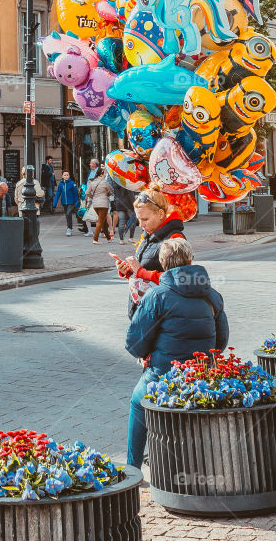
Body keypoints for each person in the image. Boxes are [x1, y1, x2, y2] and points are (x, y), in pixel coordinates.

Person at [124, 239, 229, 470]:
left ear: (163, 264)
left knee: (137, 401)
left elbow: (134, 343)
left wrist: (146, 355)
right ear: (191, 261)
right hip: (202, 376)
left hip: (163, 375)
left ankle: (133, 469)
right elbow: (221, 342)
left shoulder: (156, 296)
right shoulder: (212, 295)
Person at [113, 183, 187, 319]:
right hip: (144, 312)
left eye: (145, 219)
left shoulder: (174, 238)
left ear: (160, 214)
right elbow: (145, 275)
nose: (141, 225)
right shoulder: (149, 236)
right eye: (139, 219)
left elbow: (179, 281)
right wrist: (129, 272)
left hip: (161, 315)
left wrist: (141, 272)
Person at [85, 167, 113, 243]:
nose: (105, 174)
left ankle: (108, 238)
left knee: (103, 221)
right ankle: (95, 239)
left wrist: (93, 197)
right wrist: (106, 195)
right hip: (103, 203)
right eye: (104, 173)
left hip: (95, 204)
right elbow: (111, 191)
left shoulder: (92, 182)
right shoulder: (105, 182)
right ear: (101, 174)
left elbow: (87, 192)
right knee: (101, 221)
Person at [53, 171, 81, 236]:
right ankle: (69, 227)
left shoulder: (72, 183)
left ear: (69, 176)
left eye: (67, 175)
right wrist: (54, 204)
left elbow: (75, 194)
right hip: (64, 202)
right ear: (62, 176)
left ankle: (69, 229)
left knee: (68, 213)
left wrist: (77, 204)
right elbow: (57, 194)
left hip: (71, 202)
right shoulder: (61, 184)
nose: (66, 176)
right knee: (67, 215)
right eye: (65, 175)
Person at [112, 180, 138, 245]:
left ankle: (121, 240)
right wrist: (134, 203)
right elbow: (130, 194)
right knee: (133, 220)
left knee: (121, 221)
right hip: (128, 204)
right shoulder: (127, 182)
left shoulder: (116, 182)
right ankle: (131, 237)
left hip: (119, 204)